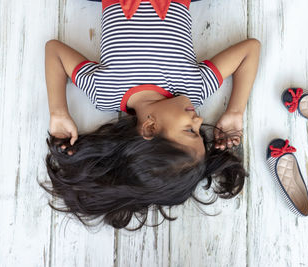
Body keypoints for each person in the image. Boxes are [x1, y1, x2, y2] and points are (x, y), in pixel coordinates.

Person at [40, 0, 260, 230]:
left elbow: (53, 50)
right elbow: (251, 50)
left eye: (190, 131)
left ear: (150, 128)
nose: (200, 120)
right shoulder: (194, 90)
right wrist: (235, 111)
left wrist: (58, 112)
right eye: (200, 133)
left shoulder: (104, 93)